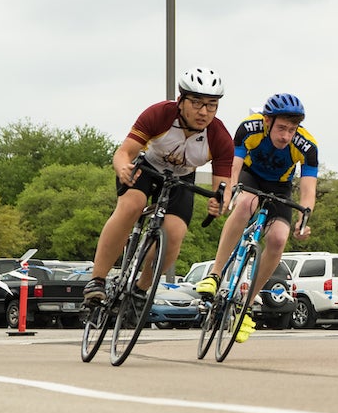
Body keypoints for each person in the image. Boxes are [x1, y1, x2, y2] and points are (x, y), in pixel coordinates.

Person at [82, 68, 232, 311]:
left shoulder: (219, 136)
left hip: (181, 179)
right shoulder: (159, 114)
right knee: (131, 205)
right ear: (181, 100)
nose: (204, 112)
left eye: (211, 105)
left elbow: (223, 188)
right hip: (147, 169)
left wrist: (219, 203)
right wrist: (122, 168)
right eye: (196, 103)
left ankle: (140, 291)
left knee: (174, 234)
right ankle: (97, 280)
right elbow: (123, 153)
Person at [196, 93, 318, 342]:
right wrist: (228, 195)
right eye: (281, 128)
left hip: (280, 187)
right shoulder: (249, 128)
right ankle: (215, 275)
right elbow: (234, 167)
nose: (286, 136)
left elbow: (307, 192)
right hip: (250, 176)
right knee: (245, 204)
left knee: (278, 239)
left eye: (292, 130)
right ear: (267, 121)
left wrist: (303, 221)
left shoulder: (307, 145)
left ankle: (247, 306)